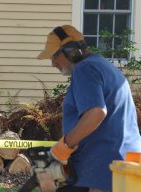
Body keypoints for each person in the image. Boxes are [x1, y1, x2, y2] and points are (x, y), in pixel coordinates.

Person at [37, 25, 141, 192]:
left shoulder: (85, 69)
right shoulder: (105, 67)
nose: (53, 63)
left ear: (72, 50)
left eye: (55, 56)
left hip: (102, 171)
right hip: (124, 167)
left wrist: (62, 149)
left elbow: (96, 112)